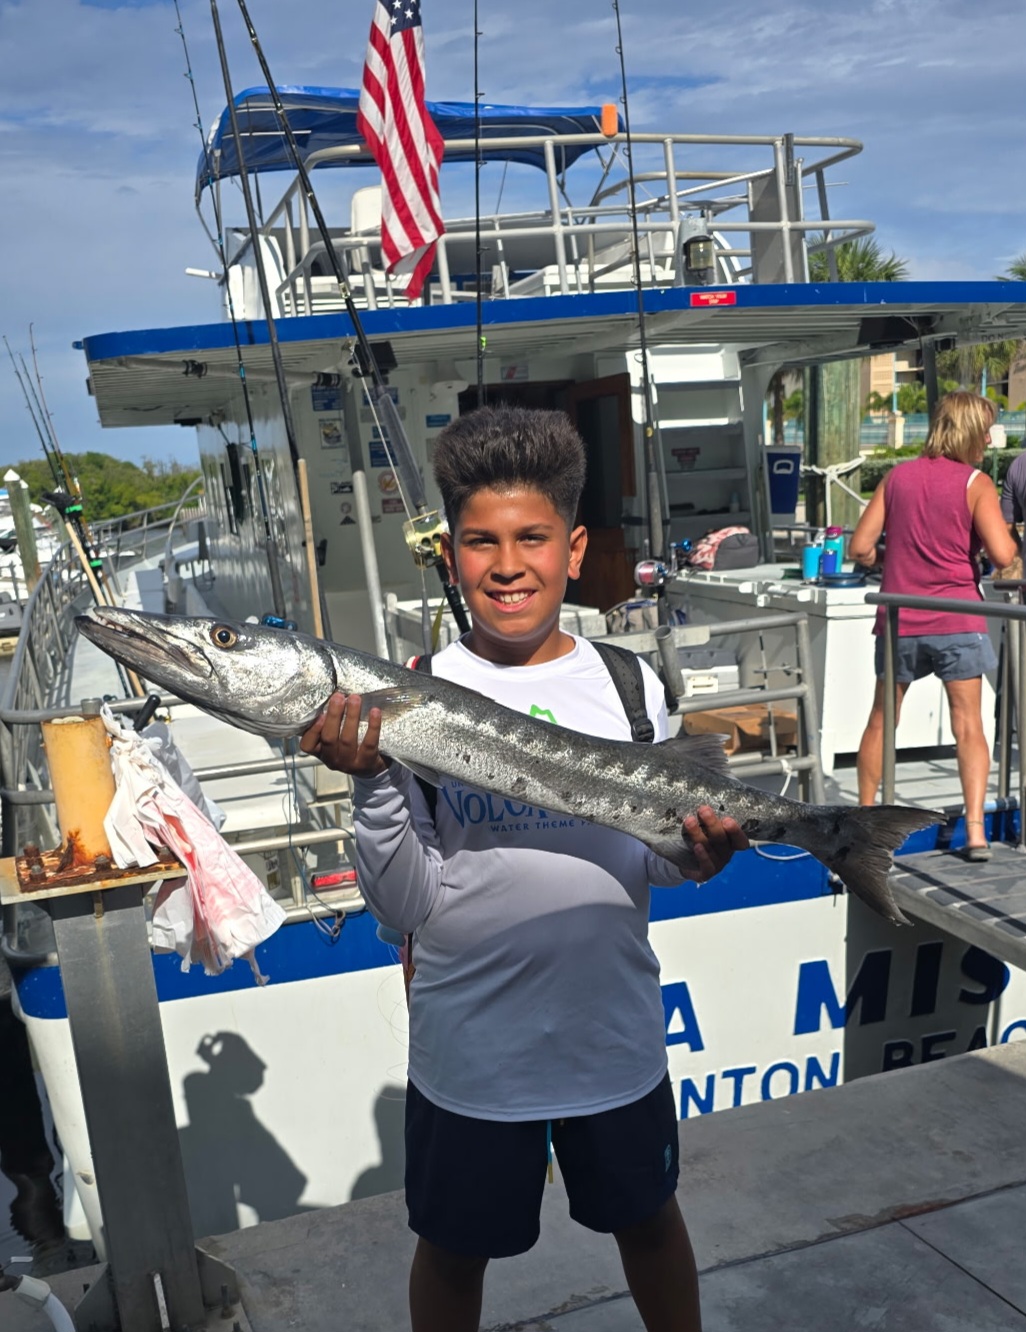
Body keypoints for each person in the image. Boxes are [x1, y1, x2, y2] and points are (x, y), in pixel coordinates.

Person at [300, 404, 748, 1332]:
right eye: (482, 542)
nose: (508, 565)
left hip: (612, 1041)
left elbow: (654, 864)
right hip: (472, 1056)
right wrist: (372, 781)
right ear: (452, 553)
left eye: (532, 538)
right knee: (452, 1253)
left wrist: (699, 857)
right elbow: (406, 905)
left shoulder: (630, 684)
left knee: (651, 1226)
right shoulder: (409, 692)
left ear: (574, 550)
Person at [850, 390, 1017, 859]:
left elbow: (859, 548)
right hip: (957, 618)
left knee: (882, 721)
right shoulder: (976, 483)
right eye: (985, 431)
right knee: (969, 725)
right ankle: (976, 831)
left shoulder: (897, 477)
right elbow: (1003, 554)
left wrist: (889, 558)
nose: (989, 440)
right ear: (968, 432)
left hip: (899, 617)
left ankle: (863, 822)